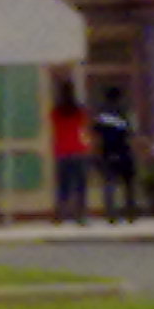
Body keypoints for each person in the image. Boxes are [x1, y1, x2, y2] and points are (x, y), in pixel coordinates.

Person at [93, 86, 140, 223]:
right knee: (129, 185)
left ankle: (111, 215)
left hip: (107, 152)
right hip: (124, 151)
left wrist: (96, 153)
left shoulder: (101, 114)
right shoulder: (125, 112)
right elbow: (132, 134)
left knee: (109, 184)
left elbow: (97, 135)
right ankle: (130, 213)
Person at [49, 81, 92, 225]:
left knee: (63, 186)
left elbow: (54, 127)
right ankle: (81, 215)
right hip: (78, 149)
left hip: (62, 150)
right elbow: (84, 127)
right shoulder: (79, 111)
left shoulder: (56, 111)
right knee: (80, 185)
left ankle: (60, 215)